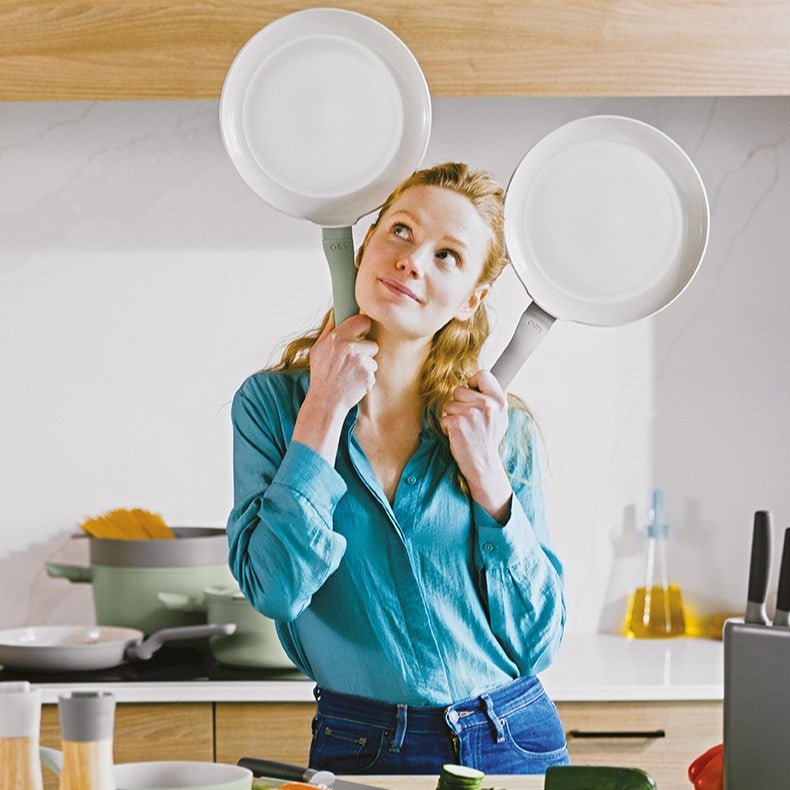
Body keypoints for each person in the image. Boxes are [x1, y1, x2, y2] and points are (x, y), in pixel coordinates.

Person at [226, 162, 568, 775]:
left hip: (511, 739)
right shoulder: (272, 408)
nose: (413, 260)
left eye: (448, 256)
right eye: (402, 232)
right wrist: (323, 410)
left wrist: (489, 481)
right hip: (361, 745)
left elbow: (539, 642)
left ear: (473, 301)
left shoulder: (503, 430)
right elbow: (275, 589)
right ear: (366, 248)